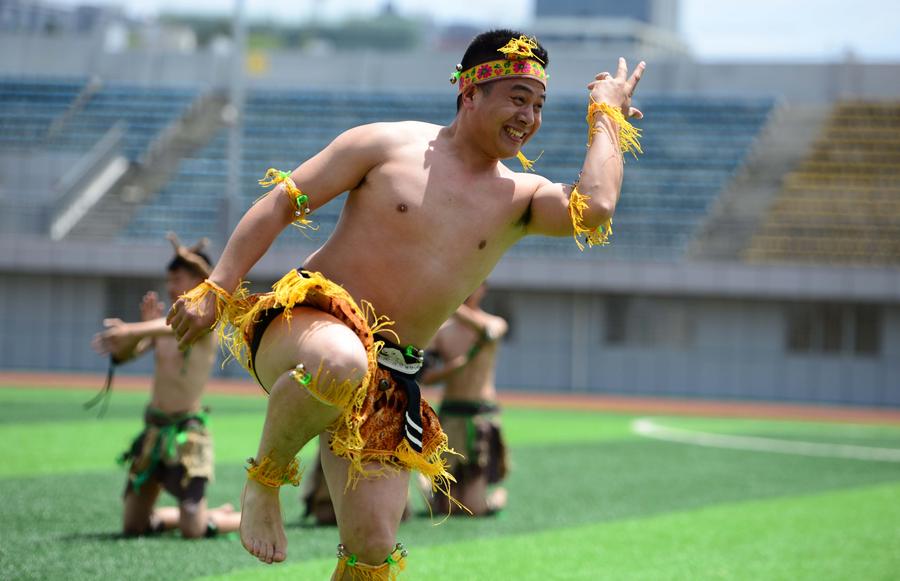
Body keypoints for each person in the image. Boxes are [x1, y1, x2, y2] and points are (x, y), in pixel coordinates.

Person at [167, 28, 644, 579]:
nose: (529, 116)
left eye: (538, 104)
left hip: (391, 379)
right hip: (306, 324)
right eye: (517, 97)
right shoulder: (384, 145)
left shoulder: (522, 197)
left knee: (372, 551)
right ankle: (265, 480)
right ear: (470, 93)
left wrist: (607, 114)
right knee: (342, 360)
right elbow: (281, 202)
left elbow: (598, 206)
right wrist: (217, 287)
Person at [91, 234, 240, 539]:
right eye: (168, 280)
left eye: (178, 279)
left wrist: (134, 329)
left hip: (188, 433)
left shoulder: (206, 318)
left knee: (194, 529)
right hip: (154, 430)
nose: (171, 287)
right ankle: (186, 515)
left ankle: (226, 519)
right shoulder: (162, 323)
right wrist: (131, 339)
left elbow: (167, 329)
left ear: (200, 281)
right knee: (133, 527)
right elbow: (125, 355)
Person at [419, 284, 509, 516]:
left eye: (475, 284)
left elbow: (488, 332)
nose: (469, 290)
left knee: (473, 508)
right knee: (445, 508)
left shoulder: (494, 323)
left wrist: (450, 303)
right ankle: (430, 489)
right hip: (451, 413)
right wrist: (452, 369)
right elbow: (425, 377)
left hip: (480, 414)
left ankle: (495, 499)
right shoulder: (442, 331)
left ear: (484, 289)